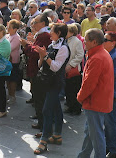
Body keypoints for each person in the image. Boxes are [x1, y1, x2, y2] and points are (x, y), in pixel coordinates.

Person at [76, 28, 114, 158]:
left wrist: (80, 96)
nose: (84, 43)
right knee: (90, 132)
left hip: (95, 102)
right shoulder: (102, 54)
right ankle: (83, 155)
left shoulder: (97, 58)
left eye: (86, 41)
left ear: (94, 42)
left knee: (96, 134)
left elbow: (89, 83)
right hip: (99, 100)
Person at [33, 23, 70, 153]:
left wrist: (46, 56)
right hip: (47, 81)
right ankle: (57, 135)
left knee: (47, 110)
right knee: (56, 108)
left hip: (55, 83)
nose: (50, 33)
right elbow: (40, 65)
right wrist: (42, 55)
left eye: (52, 31)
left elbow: (55, 67)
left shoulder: (64, 48)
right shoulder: (51, 45)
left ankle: (44, 140)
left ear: (59, 33)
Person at [103, 31, 116, 158]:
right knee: (106, 122)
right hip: (106, 93)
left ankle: (114, 150)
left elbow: (111, 75)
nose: (103, 42)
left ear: (113, 43)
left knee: (110, 123)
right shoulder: (107, 54)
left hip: (112, 94)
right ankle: (108, 146)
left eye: (106, 40)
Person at [64, 24, 84, 116]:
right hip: (66, 69)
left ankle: (76, 108)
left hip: (74, 70)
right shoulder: (65, 40)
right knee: (68, 90)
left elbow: (80, 55)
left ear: (72, 32)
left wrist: (71, 64)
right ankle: (70, 106)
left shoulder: (77, 41)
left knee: (74, 90)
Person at [6, 18, 22, 104]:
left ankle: (12, 96)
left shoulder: (16, 37)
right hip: (7, 61)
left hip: (13, 61)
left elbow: (9, 48)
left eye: (10, 28)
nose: (8, 29)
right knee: (8, 79)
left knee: (12, 79)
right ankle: (9, 94)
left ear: (15, 29)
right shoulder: (8, 36)